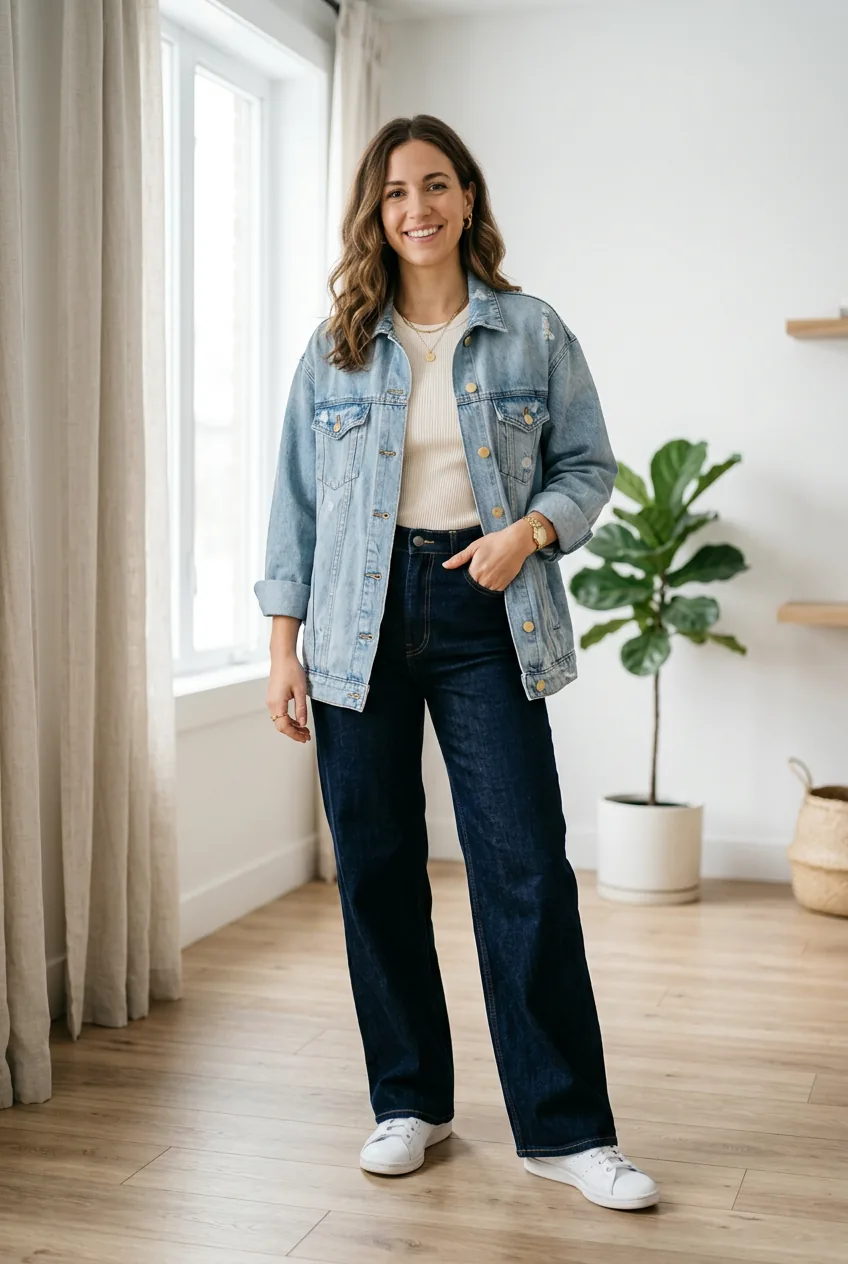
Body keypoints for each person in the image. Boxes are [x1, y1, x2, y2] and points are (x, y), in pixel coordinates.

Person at [255, 114, 659, 1213]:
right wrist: (282, 650)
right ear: (373, 214)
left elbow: (586, 466)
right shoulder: (335, 345)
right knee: (377, 866)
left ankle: (565, 1129)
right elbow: (293, 510)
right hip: (354, 623)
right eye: (394, 194)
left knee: (524, 866)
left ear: (467, 198)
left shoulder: (530, 333)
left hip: (486, 614)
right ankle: (409, 1103)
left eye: (435, 186)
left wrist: (525, 533)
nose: (416, 208)